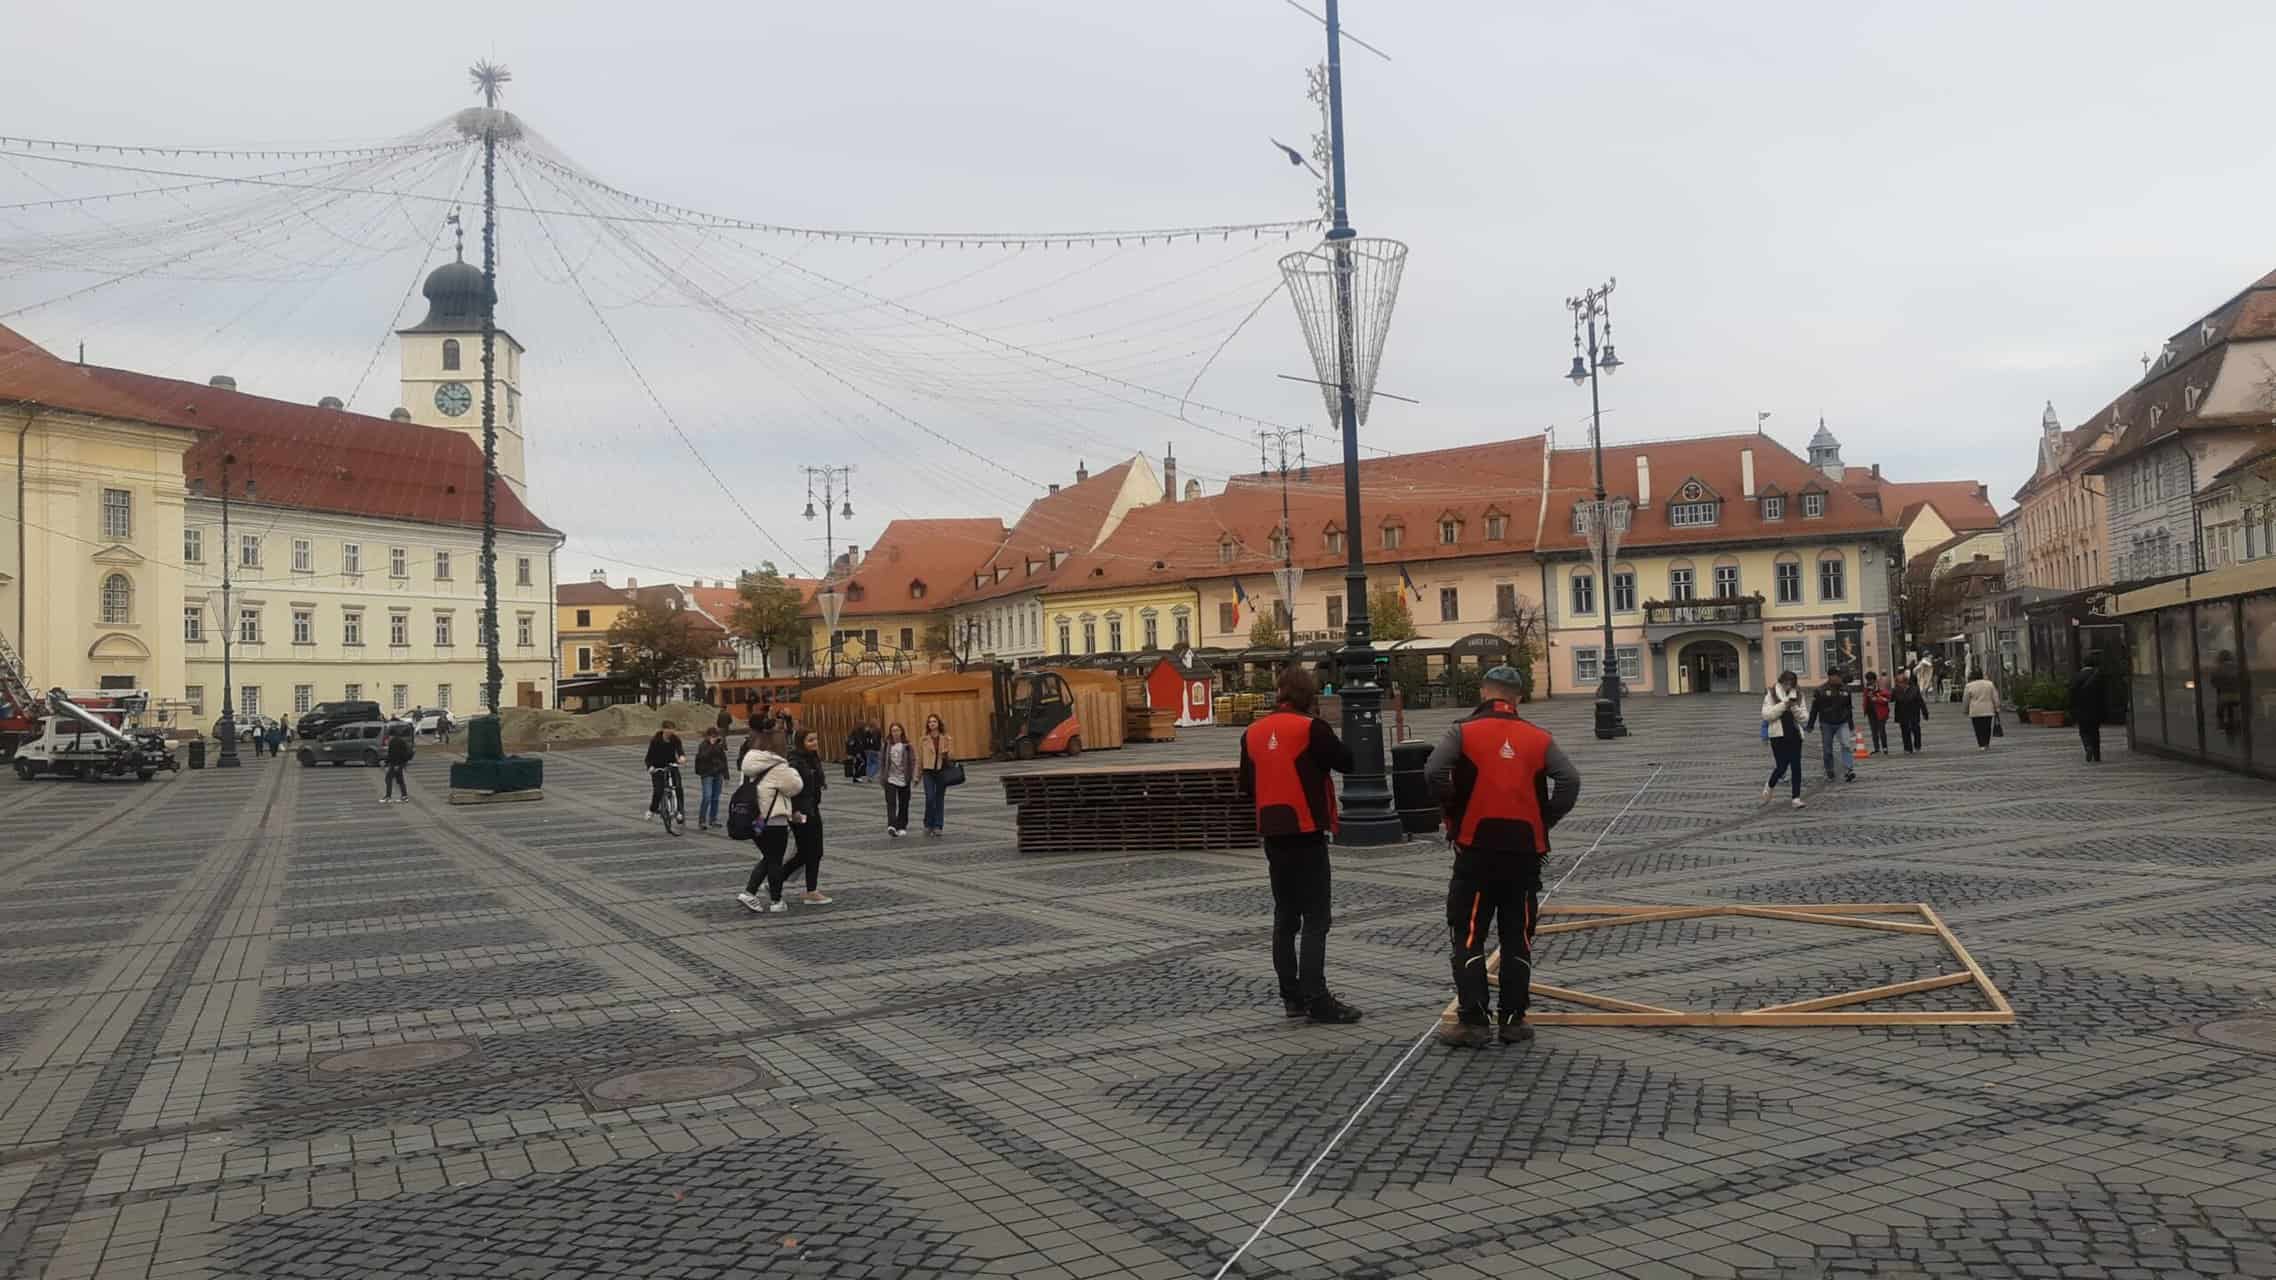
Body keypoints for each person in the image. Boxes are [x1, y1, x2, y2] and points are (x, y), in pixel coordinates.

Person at [1425, 664, 1581, 1048]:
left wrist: (1452, 811)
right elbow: (1570, 781)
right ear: (1518, 697)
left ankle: (1474, 1021)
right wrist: (1544, 820)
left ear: (1484, 692)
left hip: (1475, 849)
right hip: (1524, 853)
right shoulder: (1538, 738)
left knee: (1469, 932)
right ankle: (1514, 1019)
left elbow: (1433, 771)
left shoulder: (1462, 732)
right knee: (1517, 935)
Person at [1237, 667, 1360, 1025]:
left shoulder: (1252, 733)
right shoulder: (1312, 729)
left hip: (1273, 835)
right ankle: (1318, 999)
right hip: (1307, 831)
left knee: (1285, 918)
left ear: (1279, 693)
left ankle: (1291, 997)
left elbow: (1247, 786)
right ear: (1309, 695)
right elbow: (1348, 762)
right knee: (1316, 919)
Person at [734, 741, 803, 913]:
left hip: (756, 821)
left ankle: (750, 893)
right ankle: (775, 900)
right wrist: (792, 770)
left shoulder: (749, 765)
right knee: (775, 861)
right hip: (775, 821)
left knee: (769, 858)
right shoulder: (778, 767)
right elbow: (795, 787)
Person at [771, 730, 834, 905]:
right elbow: (791, 788)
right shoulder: (795, 761)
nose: (815, 743)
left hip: (812, 808)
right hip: (800, 812)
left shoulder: (812, 758)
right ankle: (809, 890)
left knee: (813, 852)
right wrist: (796, 811)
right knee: (809, 852)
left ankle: (779, 881)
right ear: (801, 742)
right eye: (810, 740)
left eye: (815, 739)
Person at [1760, 670, 1807, 809]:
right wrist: (1783, 705)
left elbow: (1804, 717)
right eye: (1786, 683)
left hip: (1794, 734)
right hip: (1778, 736)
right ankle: (1770, 785)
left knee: (1796, 766)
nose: (1789, 686)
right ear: (1781, 682)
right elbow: (1767, 715)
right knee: (1781, 767)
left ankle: (1796, 798)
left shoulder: (1798, 694)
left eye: (1791, 683)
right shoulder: (1772, 694)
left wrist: (1794, 707)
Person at [1805, 672, 1858, 783]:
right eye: (1837, 676)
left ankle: (1849, 770)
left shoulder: (1846, 690)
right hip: (1826, 723)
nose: (1839, 678)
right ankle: (1829, 770)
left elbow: (1848, 708)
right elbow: (1815, 709)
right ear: (1830, 677)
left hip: (1842, 722)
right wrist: (1810, 725)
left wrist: (1851, 725)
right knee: (1827, 750)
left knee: (1846, 745)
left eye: (1840, 676)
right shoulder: (1820, 691)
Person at [918, 713, 955, 837]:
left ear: (938, 723)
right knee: (930, 798)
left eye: (934, 721)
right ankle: (928, 823)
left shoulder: (946, 738)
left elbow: (952, 756)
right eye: (930, 722)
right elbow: (920, 758)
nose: (932, 724)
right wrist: (917, 775)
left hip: (941, 771)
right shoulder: (923, 739)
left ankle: (938, 825)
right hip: (928, 771)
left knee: (939, 799)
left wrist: (946, 754)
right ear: (928, 725)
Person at [644, 720, 686, 822]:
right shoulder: (655, 740)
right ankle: (652, 810)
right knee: (658, 791)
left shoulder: (675, 739)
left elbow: (680, 750)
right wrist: (650, 767)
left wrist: (681, 757)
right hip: (658, 767)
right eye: (668, 732)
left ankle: (680, 811)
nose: (669, 734)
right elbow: (648, 758)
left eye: (671, 732)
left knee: (679, 787)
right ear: (663, 730)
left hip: (671, 765)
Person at [880, 722, 914, 837]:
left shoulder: (907, 745)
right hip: (890, 778)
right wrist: (882, 776)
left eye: (897, 730)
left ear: (902, 731)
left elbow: (912, 761)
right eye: (893, 730)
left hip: (904, 778)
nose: (895, 733)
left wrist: (913, 775)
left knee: (904, 803)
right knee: (891, 802)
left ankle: (902, 826)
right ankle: (892, 825)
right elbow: (882, 760)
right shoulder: (887, 745)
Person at [693, 727, 731, 831]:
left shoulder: (718, 746)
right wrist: (711, 745)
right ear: (708, 736)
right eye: (712, 736)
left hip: (718, 773)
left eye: (716, 736)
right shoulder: (703, 746)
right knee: (707, 796)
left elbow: (724, 760)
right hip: (707, 774)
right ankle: (702, 821)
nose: (714, 738)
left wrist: (726, 776)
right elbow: (704, 757)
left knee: (715, 798)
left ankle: (713, 819)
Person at [2070, 655, 2105, 763]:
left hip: (2082, 709)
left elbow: (2072, 693)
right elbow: (2104, 693)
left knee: (2084, 731)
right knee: (2095, 731)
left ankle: (2088, 746)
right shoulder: (2098, 676)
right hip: (2096, 709)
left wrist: (2072, 708)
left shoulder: (2078, 676)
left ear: (2083, 663)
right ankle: (2097, 755)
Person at [1964, 666, 2001, 750]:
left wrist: (1965, 710)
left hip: (1975, 710)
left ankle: (1981, 744)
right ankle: (1986, 743)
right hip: (1988, 709)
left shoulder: (1969, 686)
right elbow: (1995, 696)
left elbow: (1966, 699)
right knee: (1987, 727)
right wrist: (1997, 706)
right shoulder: (1989, 684)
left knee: (1978, 728)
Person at [1893, 672, 1929, 754]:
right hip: (1902, 713)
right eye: (1897, 683)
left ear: (1905, 682)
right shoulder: (1896, 690)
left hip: (1913, 713)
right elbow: (1891, 699)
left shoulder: (1914, 689)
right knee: (1905, 731)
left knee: (1915, 729)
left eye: (1899, 683)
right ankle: (1907, 748)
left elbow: (1921, 702)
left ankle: (1917, 745)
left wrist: (1925, 713)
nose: (1898, 684)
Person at [1862, 672, 1892, 756]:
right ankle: (1876, 748)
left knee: (1881, 730)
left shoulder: (1880, 687)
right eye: (1867, 680)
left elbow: (1887, 699)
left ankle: (1885, 748)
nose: (1869, 682)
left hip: (1881, 712)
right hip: (1871, 712)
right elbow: (1865, 699)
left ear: (1874, 680)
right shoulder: (1866, 688)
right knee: (1874, 731)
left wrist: (1876, 698)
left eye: (1870, 680)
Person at [382, 725, 413, 803]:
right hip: (399, 764)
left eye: (388, 736)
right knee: (400, 780)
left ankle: (388, 797)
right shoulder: (401, 741)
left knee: (388, 779)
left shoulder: (393, 742)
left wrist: (389, 763)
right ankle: (404, 796)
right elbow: (403, 753)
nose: (388, 737)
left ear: (391, 735)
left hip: (395, 764)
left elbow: (393, 754)